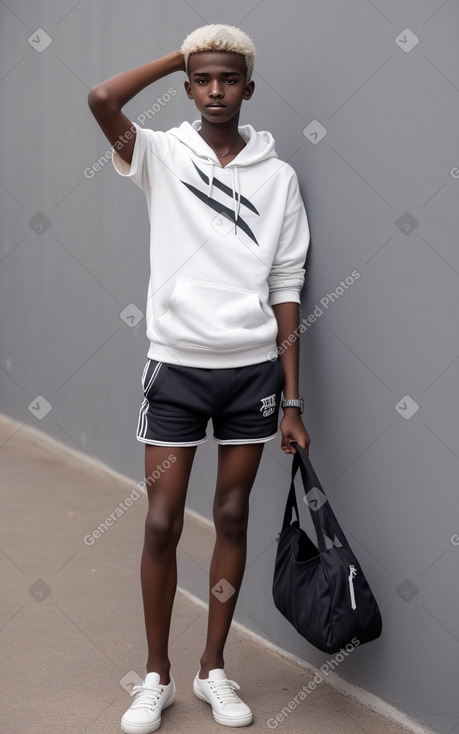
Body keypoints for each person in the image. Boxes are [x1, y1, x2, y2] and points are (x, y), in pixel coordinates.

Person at [88, 23, 310, 733]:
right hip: (177, 368)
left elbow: (286, 286)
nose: (216, 90)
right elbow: (100, 98)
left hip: (250, 376)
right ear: (187, 86)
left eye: (229, 78)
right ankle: (155, 675)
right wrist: (176, 54)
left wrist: (292, 398)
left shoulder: (277, 179)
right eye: (202, 79)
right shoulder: (157, 155)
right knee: (159, 520)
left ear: (248, 87)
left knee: (234, 516)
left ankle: (212, 667)